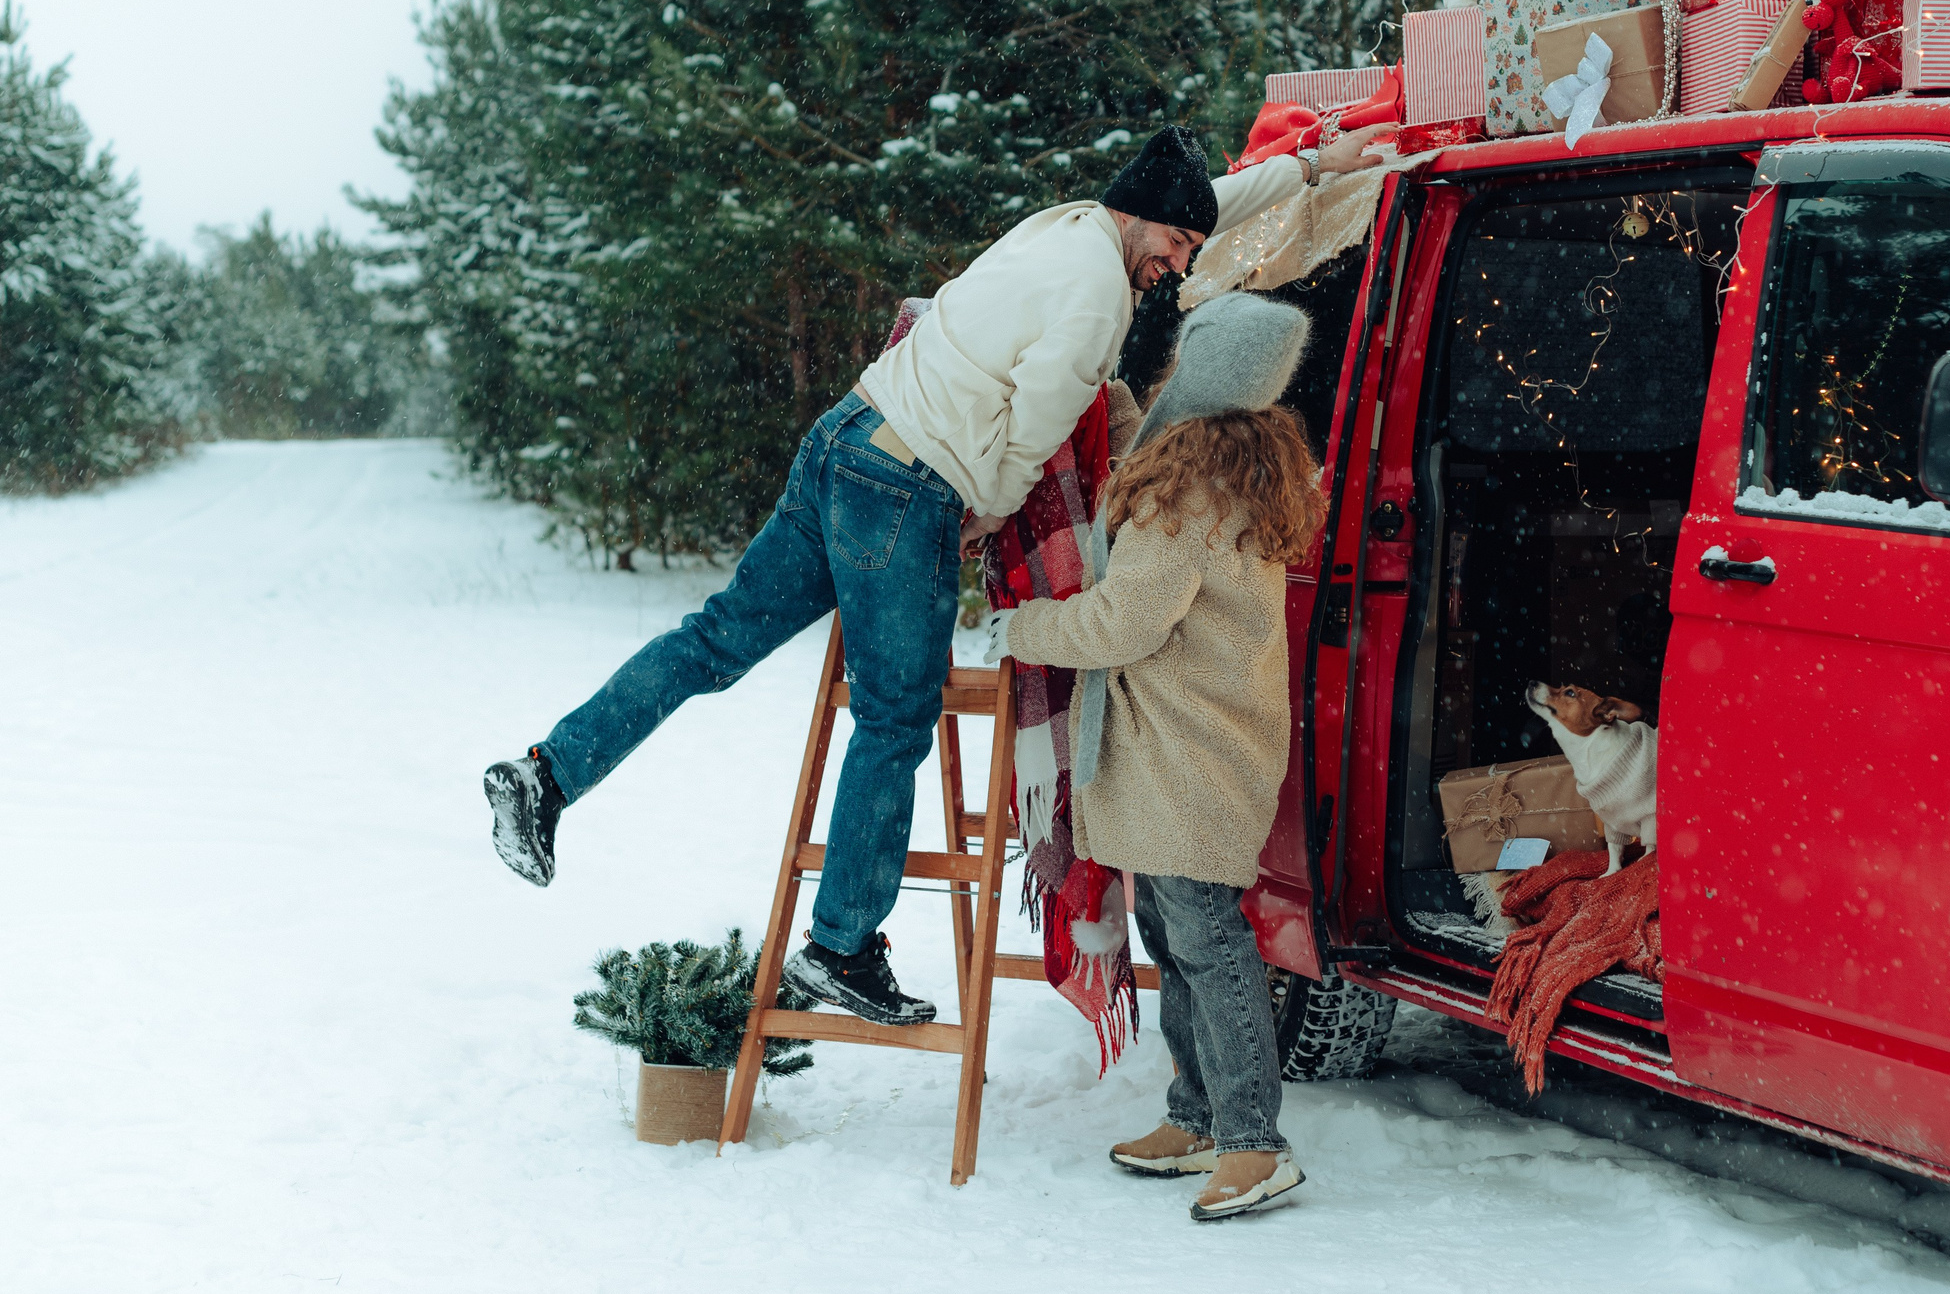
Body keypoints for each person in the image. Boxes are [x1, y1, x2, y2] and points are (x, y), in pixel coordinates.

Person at [482, 121, 1392, 1026]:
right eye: (1179, 245)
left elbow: (1208, 202)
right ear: (1145, 217)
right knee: (894, 716)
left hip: (845, 434)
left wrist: (1310, 167)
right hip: (905, 485)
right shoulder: (1097, 298)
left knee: (713, 638)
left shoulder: (1073, 223)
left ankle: (547, 773)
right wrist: (988, 509)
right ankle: (840, 946)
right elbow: (1036, 425)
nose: (1180, 264)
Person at [982, 290, 1327, 1221]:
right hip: (1203, 743)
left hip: (1187, 753)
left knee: (1205, 940)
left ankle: (1253, 1141)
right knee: (1175, 934)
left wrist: (1026, 627)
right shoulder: (1235, 463)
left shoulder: (1186, 494)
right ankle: (1197, 1113)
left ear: (1201, 368)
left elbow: (1124, 620)